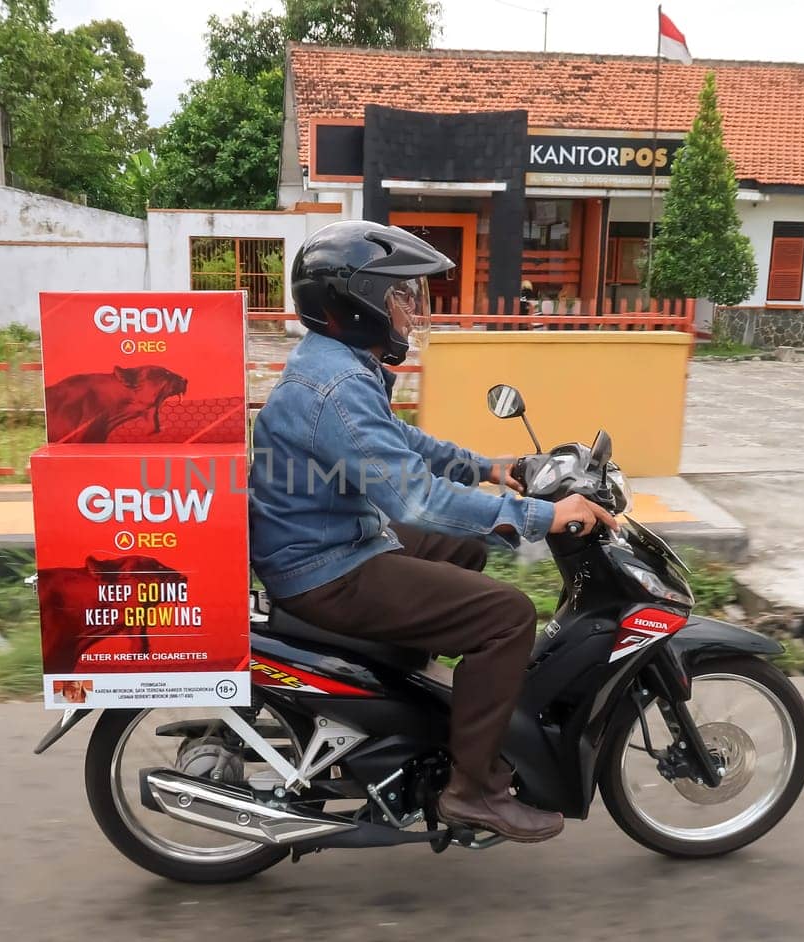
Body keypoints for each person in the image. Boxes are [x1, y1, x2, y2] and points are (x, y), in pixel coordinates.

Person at [248, 220, 615, 842]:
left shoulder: (338, 363)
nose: (413, 314)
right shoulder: (336, 385)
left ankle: (413, 704)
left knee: (466, 546)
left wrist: (489, 466)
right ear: (356, 301)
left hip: (333, 541)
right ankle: (472, 790)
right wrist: (543, 516)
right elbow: (413, 498)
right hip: (326, 569)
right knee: (506, 616)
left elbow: (403, 444)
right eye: (400, 297)